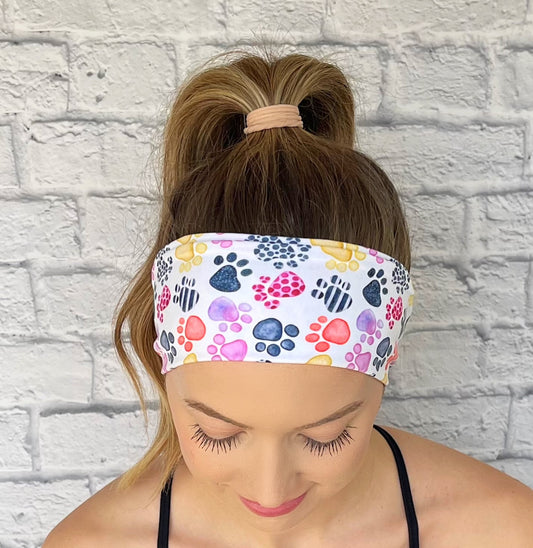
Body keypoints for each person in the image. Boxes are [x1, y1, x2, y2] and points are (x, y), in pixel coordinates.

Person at [43, 47, 533, 548]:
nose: (269, 490)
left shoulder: (505, 530)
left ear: (386, 364)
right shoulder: (91, 541)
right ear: (164, 363)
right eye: (216, 433)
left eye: (327, 436)